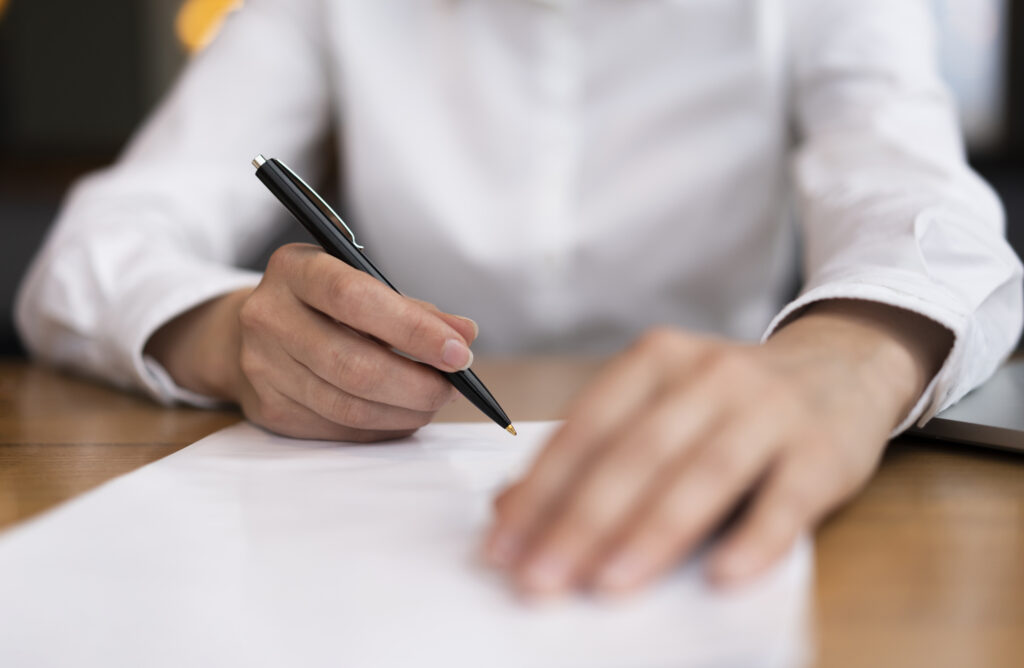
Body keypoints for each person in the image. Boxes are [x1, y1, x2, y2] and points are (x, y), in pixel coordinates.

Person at [16, 0, 1023, 598]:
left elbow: (923, 203)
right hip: (370, 523)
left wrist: (843, 361)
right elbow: (92, 250)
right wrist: (230, 337)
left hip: (724, 461)